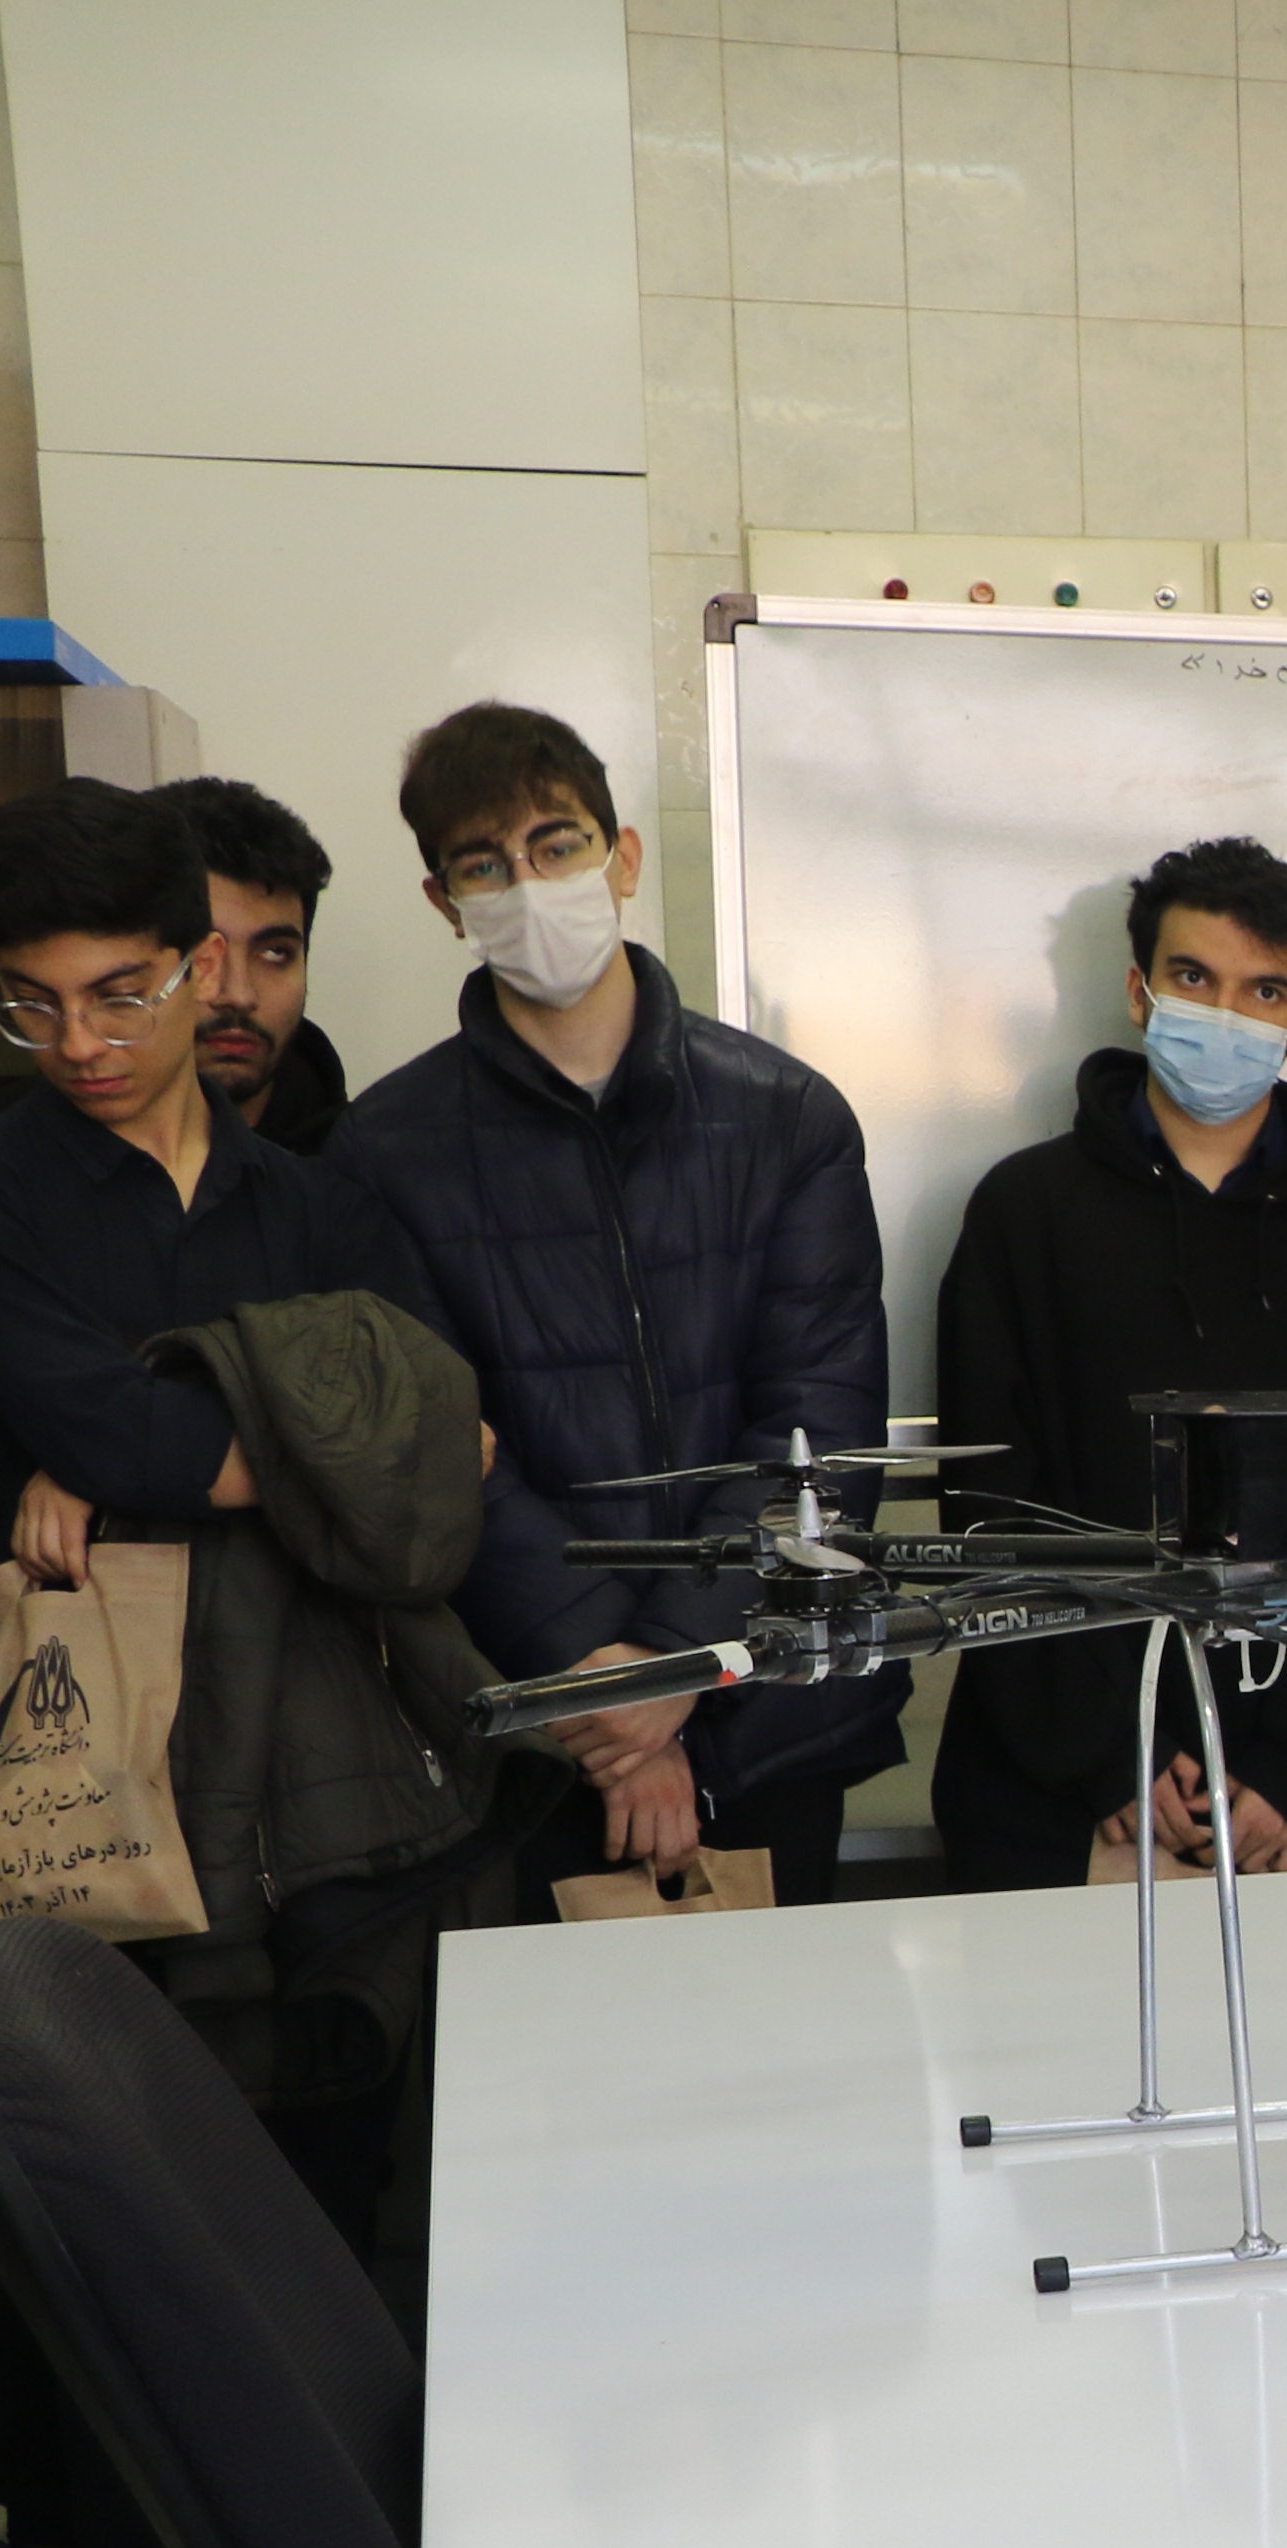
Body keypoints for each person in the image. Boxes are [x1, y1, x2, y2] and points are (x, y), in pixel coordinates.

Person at [0, 781, 493, 2548]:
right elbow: (130, 1428)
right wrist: (255, 1431)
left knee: (307, 2245)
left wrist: (175, 1439)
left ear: (200, 961)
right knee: (105, 2258)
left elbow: (439, 1459)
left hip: (326, 1816)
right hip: (88, 1806)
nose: (83, 1041)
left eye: (124, 990)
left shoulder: (318, 1201)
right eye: (35, 1002)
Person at [335, 701, 906, 1911]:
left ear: (622, 857)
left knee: (799, 2026)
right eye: (484, 865)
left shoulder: (788, 1117)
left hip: (773, 1709)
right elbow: (435, 1453)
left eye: (557, 845)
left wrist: (675, 1664)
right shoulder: (382, 1153)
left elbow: (821, 1422)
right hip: (540, 1738)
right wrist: (614, 1692)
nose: (527, 885)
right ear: (443, 901)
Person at [930, 837, 1287, 1890]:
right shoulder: (1023, 1216)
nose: (1225, 1014)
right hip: (1068, 1796)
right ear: (1139, 992)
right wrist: (1109, 1757)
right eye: (1193, 978)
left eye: (1264, 991)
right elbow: (989, 1512)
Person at [152, 774, 349, 1152]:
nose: (238, 996)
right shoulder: (33, 1161)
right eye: (200, 954)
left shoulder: (368, 1164)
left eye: (275, 953)